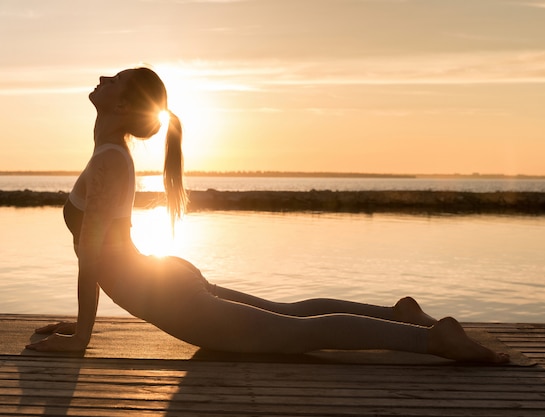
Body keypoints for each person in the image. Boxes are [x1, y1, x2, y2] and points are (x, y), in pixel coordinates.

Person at [26, 67, 509, 364]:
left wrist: (82, 337)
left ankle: (434, 341)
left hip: (169, 298)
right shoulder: (108, 153)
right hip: (162, 279)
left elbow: (91, 254)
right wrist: (78, 324)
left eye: (116, 78)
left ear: (125, 103)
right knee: (289, 315)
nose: (103, 78)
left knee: (300, 332)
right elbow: (99, 252)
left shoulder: (109, 158)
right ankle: (397, 315)